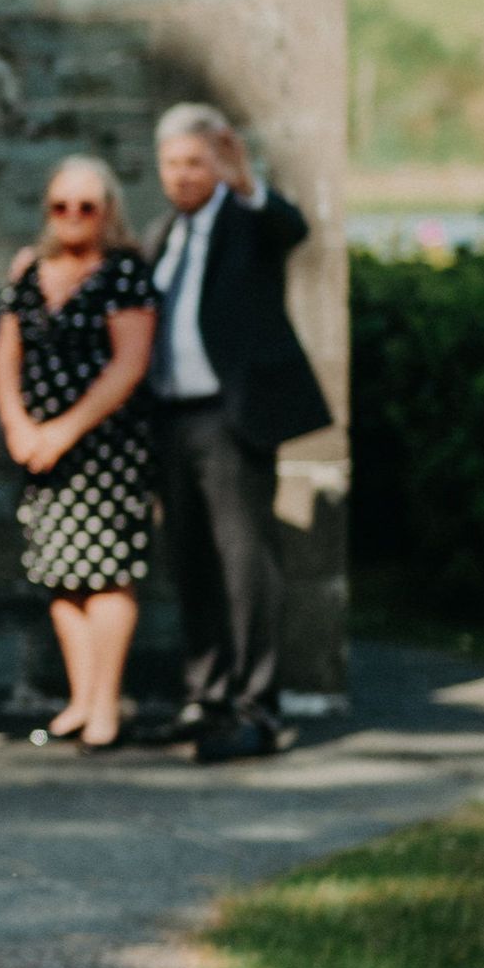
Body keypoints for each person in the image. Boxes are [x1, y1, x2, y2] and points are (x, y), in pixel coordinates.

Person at [144, 103, 332, 761]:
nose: (183, 175)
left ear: (219, 163)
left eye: (195, 162)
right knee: (190, 556)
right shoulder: (165, 233)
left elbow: (291, 227)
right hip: (172, 415)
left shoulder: (247, 221)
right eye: (171, 164)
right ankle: (207, 695)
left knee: (245, 559)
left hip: (230, 415)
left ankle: (256, 705)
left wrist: (244, 180)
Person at [0, 158, 160, 753]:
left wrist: (61, 431)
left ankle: (106, 707)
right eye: (61, 206)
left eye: (87, 206)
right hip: (41, 451)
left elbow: (129, 365)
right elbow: (5, 356)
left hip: (104, 450)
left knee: (107, 576)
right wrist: (18, 426)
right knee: (61, 575)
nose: (72, 217)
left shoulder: (124, 273)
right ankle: (80, 700)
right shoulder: (30, 271)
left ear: (109, 210)